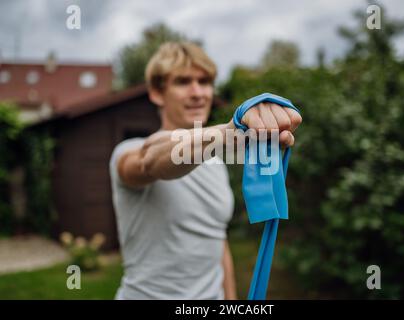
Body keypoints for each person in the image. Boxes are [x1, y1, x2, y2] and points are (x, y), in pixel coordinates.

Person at [109, 42, 302, 300]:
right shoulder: (127, 151)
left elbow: (217, 241)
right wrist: (228, 133)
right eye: (183, 82)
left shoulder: (216, 164)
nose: (198, 92)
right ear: (157, 92)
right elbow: (149, 160)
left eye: (204, 81)